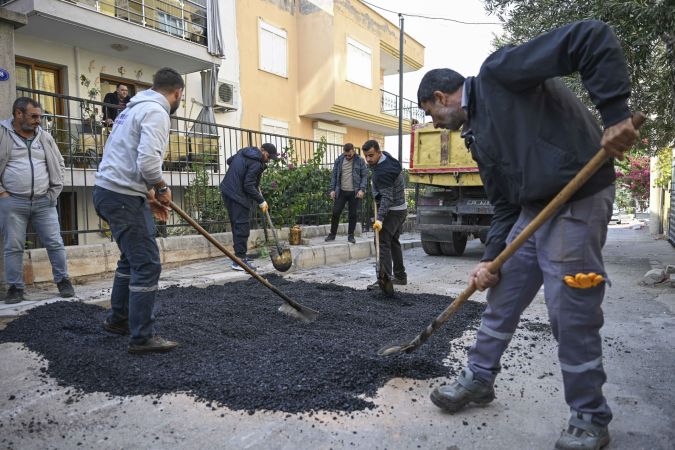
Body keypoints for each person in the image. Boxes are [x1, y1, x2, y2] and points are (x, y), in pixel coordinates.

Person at [417, 20, 639, 450]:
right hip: (533, 210)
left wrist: (615, 113)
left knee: (570, 311)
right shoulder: (476, 135)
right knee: (502, 297)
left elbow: (589, 38)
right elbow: (503, 204)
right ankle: (479, 378)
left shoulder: (500, 74)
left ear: (441, 97)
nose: (436, 123)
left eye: (431, 113)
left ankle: (590, 416)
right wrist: (490, 259)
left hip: (578, 196)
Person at [93, 67, 184, 354]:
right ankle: (142, 337)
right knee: (147, 264)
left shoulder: (131, 110)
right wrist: (160, 187)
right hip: (121, 196)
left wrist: (147, 195)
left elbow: (125, 159)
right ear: (178, 93)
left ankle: (119, 320)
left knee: (131, 261)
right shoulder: (157, 112)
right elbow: (146, 163)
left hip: (109, 191)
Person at [0, 97, 74, 304]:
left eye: (40, 116)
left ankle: (63, 280)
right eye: (34, 116)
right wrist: (2, 193)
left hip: (44, 201)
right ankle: (15, 287)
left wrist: (54, 191)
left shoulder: (45, 137)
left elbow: (59, 163)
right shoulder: (2, 134)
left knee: (55, 242)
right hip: (12, 202)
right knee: (13, 246)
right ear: (18, 114)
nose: (38, 120)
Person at [220, 143, 278, 271]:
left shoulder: (244, 151)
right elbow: (248, 185)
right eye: (269, 156)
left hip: (227, 190)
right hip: (237, 194)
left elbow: (229, 161)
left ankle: (239, 256)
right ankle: (239, 261)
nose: (269, 160)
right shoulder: (257, 163)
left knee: (237, 224)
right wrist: (261, 201)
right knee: (242, 225)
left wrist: (242, 169)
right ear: (262, 150)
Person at [362, 140, 407, 295]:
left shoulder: (383, 172)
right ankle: (400, 276)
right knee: (393, 241)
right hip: (401, 208)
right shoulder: (386, 157)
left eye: (371, 156)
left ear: (379, 153)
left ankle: (385, 279)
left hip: (393, 210)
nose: (368, 159)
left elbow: (387, 198)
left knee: (382, 242)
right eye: (366, 156)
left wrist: (380, 219)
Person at [325, 143, 368, 244]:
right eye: (346, 155)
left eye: (349, 155)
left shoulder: (360, 160)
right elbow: (334, 175)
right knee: (335, 212)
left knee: (353, 214)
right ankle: (332, 234)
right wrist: (332, 189)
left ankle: (350, 236)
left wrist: (362, 189)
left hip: (355, 192)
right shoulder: (339, 160)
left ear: (353, 151)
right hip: (341, 192)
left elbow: (364, 176)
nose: (347, 157)